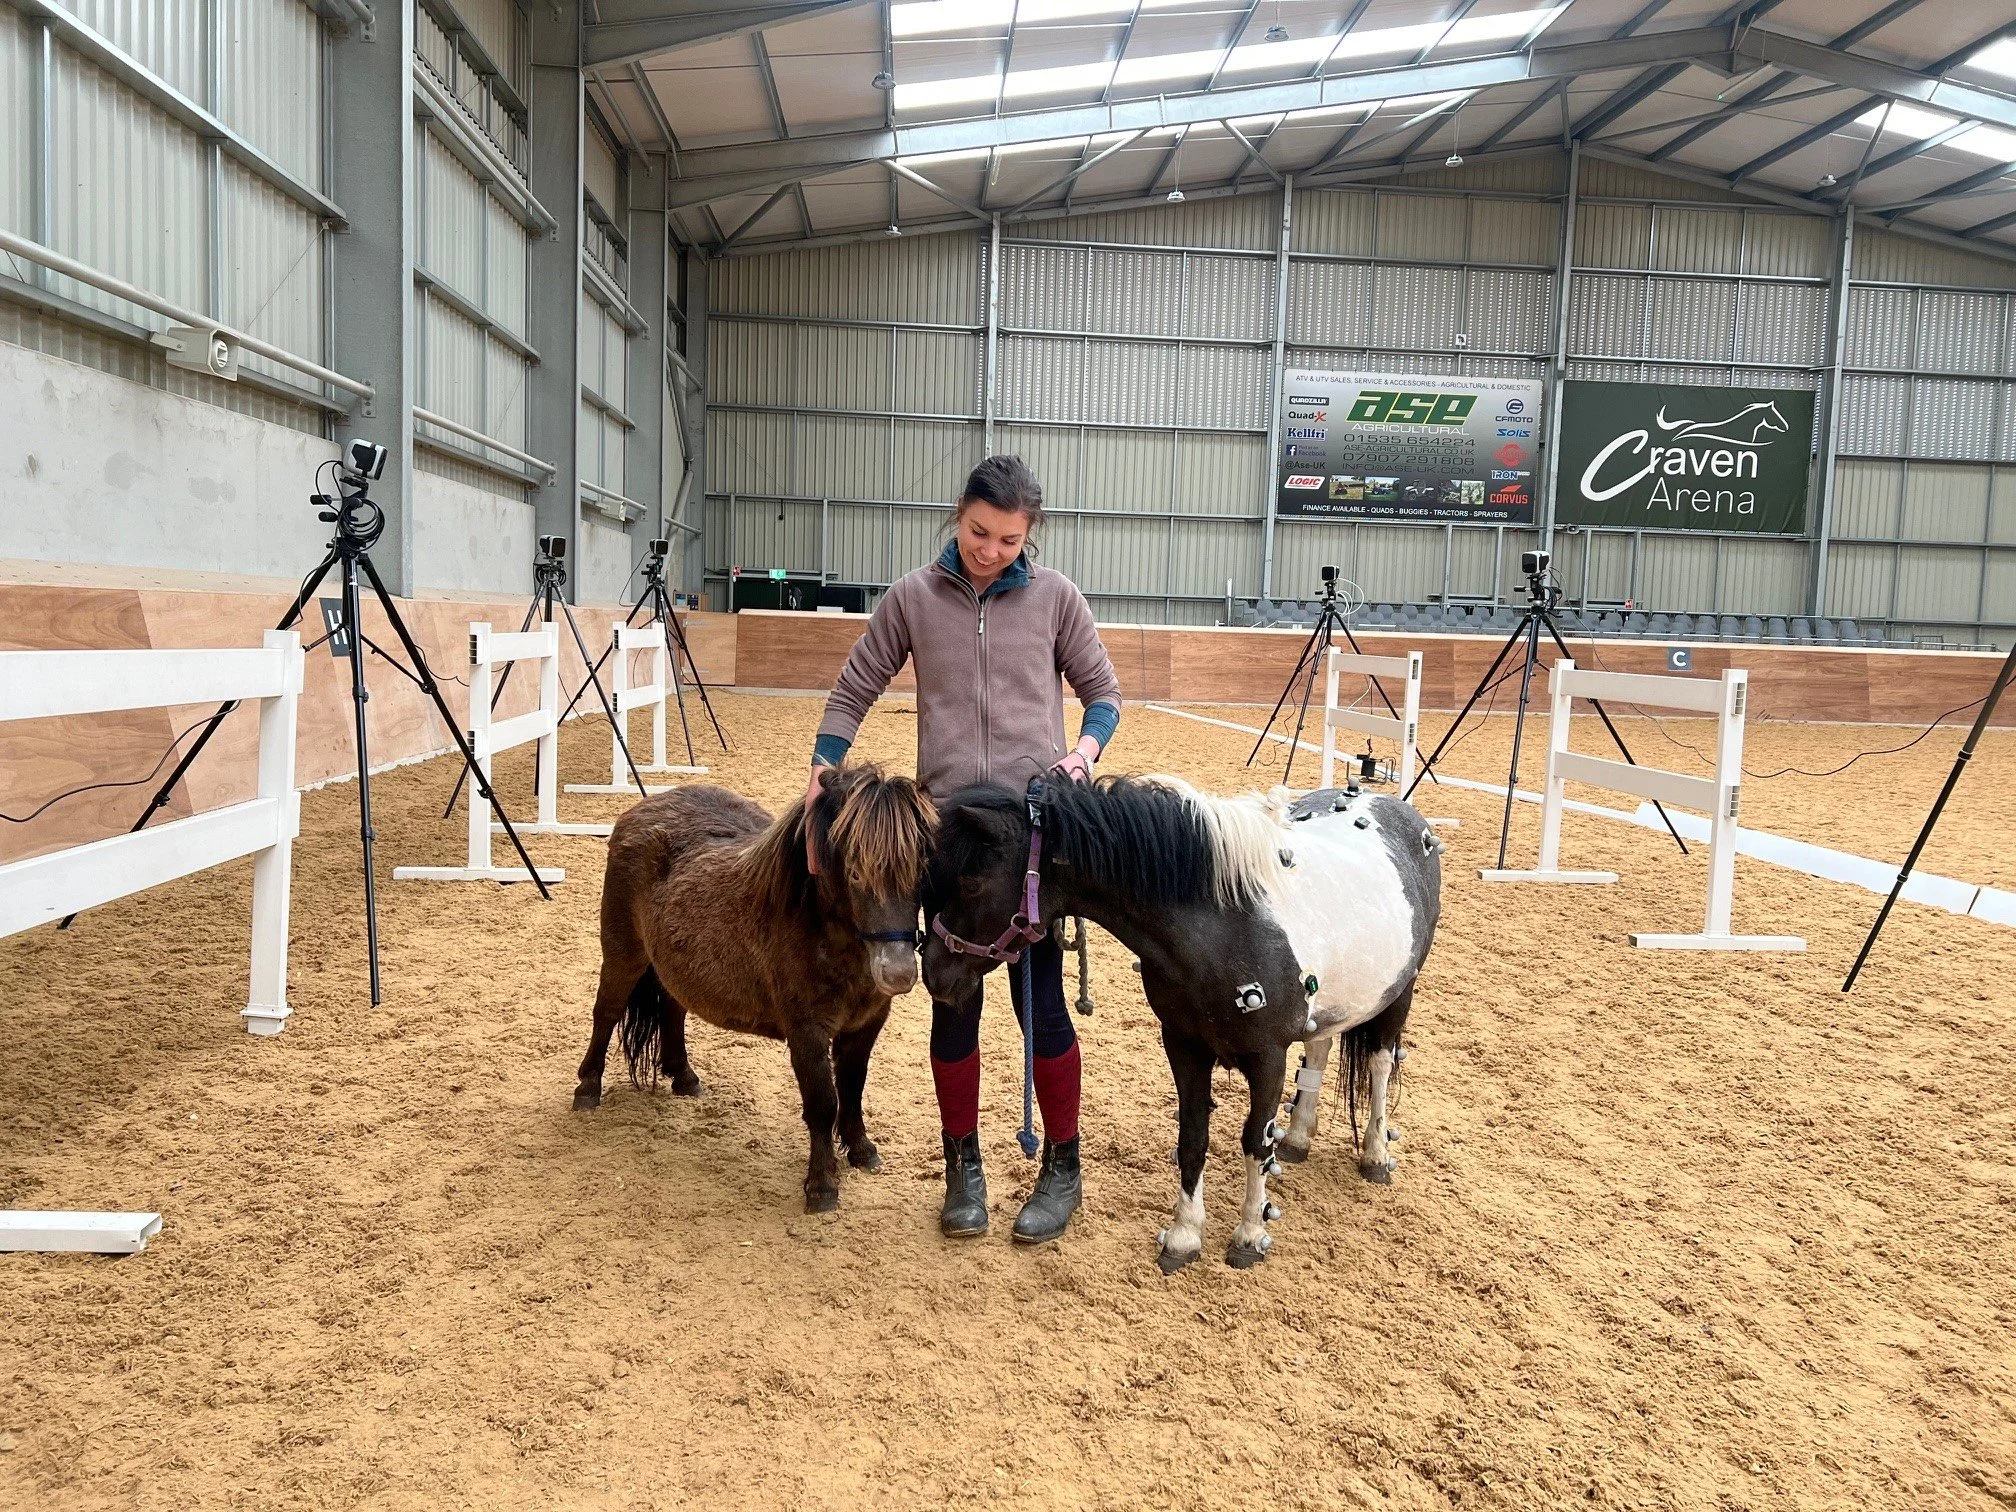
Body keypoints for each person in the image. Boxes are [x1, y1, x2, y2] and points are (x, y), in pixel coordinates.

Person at [804, 455, 1121, 1245]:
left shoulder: (1057, 600)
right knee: (954, 1003)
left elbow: (1104, 697)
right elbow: (855, 686)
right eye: (980, 532)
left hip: (1030, 838)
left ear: (1029, 535)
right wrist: (824, 761)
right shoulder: (912, 597)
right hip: (945, 840)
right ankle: (963, 1166)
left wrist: (1079, 756)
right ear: (959, 516)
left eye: (1010, 540)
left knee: (1039, 1007)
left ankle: (1063, 1168)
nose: (991, 550)